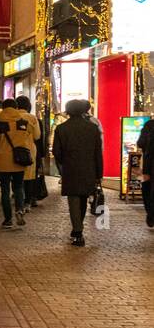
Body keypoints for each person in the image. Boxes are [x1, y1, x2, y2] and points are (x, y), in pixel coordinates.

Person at [51, 99, 104, 246]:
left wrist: (63, 165)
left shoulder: (61, 129)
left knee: (73, 199)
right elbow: (97, 153)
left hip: (70, 168)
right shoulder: (92, 128)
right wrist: (99, 173)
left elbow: (57, 152)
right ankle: (77, 229)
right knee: (83, 198)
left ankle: (78, 231)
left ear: (68, 111)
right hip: (89, 168)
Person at [0, 96, 41, 229]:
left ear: (3, 109)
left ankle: (8, 220)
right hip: (19, 160)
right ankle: (19, 210)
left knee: (5, 190)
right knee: (18, 188)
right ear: (16, 108)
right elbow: (36, 135)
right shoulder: (23, 123)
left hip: (3, 162)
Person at [17, 96, 48, 207]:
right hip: (29, 151)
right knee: (30, 176)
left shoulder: (12, 118)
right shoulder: (33, 119)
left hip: (14, 151)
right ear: (28, 106)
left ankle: (19, 198)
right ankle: (29, 200)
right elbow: (37, 136)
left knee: (17, 176)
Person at [138, 117, 154, 229]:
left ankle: (151, 214)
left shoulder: (149, 125)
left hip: (150, 166)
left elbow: (141, 143)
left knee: (147, 190)